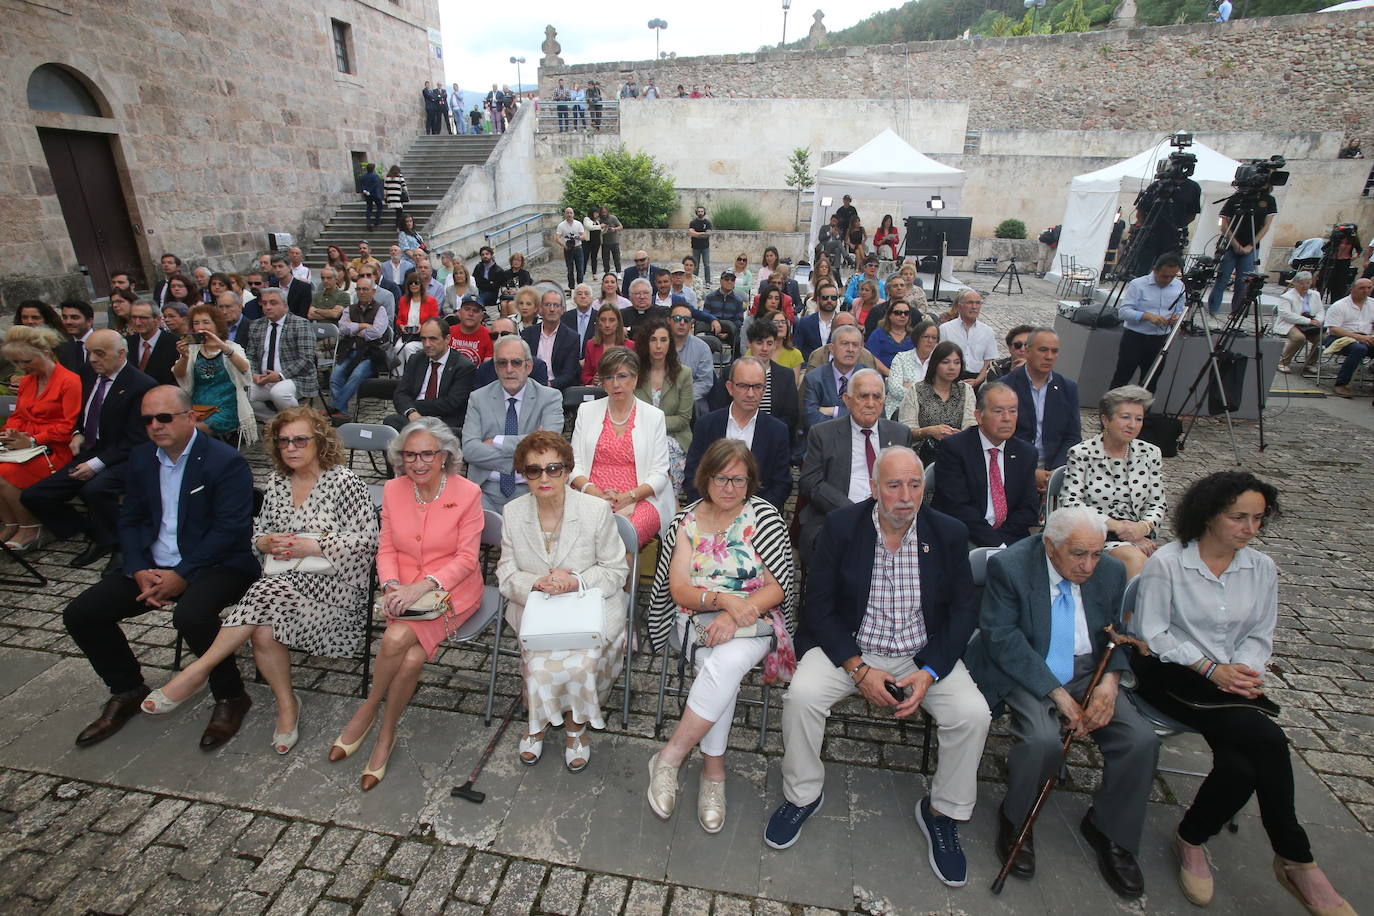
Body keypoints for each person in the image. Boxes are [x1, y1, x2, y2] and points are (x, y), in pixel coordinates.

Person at [766, 446, 991, 889]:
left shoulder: (947, 532)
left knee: (973, 714)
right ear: (873, 488)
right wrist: (857, 669)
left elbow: (964, 612)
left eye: (914, 485)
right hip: (852, 649)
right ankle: (803, 794)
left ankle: (941, 812)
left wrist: (929, 673)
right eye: (894, 486)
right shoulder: (842, 527)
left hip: (920, 655)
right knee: (802, 697)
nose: (906, 496)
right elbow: (819, 608)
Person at [1131, 472, 1355, 915]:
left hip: (1230, 682)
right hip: (1173, 675)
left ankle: (1192, 839)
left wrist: (1244, 672)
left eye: (1257, 519)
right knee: (1269, 740)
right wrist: (1210, 668)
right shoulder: (1170, 563)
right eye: (1238, 517)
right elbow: (1151, 632)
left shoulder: (1261, 568)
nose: (1249, 528)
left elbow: (1259, 635)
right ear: (1210, 515)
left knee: (1241, 764)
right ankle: (1296, 857)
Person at [142, 408, 377, 754]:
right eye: (284, 442)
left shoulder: (346, 483)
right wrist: (266, 542)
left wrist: (311, 544)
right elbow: (259, 535)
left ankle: (198, 670)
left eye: (300, 440)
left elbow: (368, 542)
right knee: (264, 628)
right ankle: (287, 706)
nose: (291, 448)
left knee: (263, 595)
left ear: (320, 441)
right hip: (283, 587)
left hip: (336, 595)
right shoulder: (279, 483)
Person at [965, 506, 1158, 899]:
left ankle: (1111, 830)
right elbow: (1002, 638)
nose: (1089, 565)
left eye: (1096, 553)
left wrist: (1109, 682)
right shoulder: (1012, 566)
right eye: (1078, 554)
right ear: (1051, 546)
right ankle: (1016, 820)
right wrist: (1056, 693)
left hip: (1090, 669)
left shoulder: (1110, 571)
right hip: (1029, 667)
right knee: (1042, 739)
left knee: (1140, 740)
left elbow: (1114, 633)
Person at [64, 386, 259, 750]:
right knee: (81, 614)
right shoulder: (142, 458)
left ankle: (231, 696)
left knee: (192, 616)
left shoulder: (224, 461)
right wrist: (137, 566)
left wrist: (182, 574)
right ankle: (127, 688)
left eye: (164, 417)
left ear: (190, 417)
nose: (155, 425)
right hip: (153, 566)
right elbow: (132, 518)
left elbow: (230, 529)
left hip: (217, 564)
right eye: (148, 419)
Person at [646, 439, 796, 833]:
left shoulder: (764, 518)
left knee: (722, 663)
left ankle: (670, 758)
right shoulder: (686, 523)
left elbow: (778, 586)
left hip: (755, 621)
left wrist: (735, 615)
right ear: (705, 478)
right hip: (696, 619)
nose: (730, 488)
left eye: (739, 480)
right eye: (722, 478)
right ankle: (713, 772)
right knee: (718, 666)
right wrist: (722, 601)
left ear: (751, 483)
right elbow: (678, 589)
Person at [330, 418, 484, 790]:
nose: (418, 463)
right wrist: (392, 586)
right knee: (411, 658)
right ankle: (385, 733)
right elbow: (386, 548)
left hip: (453, 591)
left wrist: (419, 587)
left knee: (396, 640)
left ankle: (367, 710)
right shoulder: (394, 490)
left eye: (427, 454)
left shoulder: (467, 493)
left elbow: (466, 559)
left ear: (444, 455)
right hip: (404, 591)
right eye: (410, 455)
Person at [498, 430, 629, 770]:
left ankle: (575, 727)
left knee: (583, 661)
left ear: (568, 470)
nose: (545, 477)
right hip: (537, 610)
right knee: (539, 657)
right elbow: (506, 574)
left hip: (590, 607)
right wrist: (535, 584)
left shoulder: (596, 510)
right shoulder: (512, 513)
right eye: (534, 470)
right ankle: (538, 724)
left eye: (553, 469)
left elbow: (616, 571)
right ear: (523, 474)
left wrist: (575, 581)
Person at [21, 331, 154, 568]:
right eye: (89, 352)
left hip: (127, 456)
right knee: (35, 496)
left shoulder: (140, 386)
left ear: (121, 353)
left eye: (100, 354)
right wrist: (76, 433)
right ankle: (99, 534)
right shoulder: (88, 375)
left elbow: (137, 440)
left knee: (94, 490)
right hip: (90, 450)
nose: (92, 359)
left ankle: (123, 545)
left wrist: (95, 465)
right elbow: (79, 415)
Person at [797, 369, 911, 558]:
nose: (870, 403)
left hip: (891, 520)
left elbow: (909, 483)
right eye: (863, 396)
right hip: (836, 517)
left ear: (884, 401)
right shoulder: (823, 434)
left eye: (877, 397)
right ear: (847, 400)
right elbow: (810, 482)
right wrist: (853, 513)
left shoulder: (899, 434)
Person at [570, 348, 675, 548]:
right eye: (608, 377)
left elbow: (660, 474)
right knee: (581, 534)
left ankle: (617, 580)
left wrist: (629, 497)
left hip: (641, 497)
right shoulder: (587, 411)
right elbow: (574, 465)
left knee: (622, 535)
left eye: (622, 376)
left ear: (635, 378)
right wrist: (596, 494)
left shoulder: (654, 416)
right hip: (590, 495)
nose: (615, 384)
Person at [1058, 386, 1165, 580]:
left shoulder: (1150, 453)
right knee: (1136, 563)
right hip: (1093, 536)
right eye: (1125, 417)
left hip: (1140, 537)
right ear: (1105, 420)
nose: (1132, 425)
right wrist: (1119, 528)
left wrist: (1144, 528)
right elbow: (1071, 503)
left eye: (1138, 419)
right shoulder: (1082, 453)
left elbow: (1157, 503)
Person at [0, 326, 83, 550]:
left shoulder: (69, 381)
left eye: (27, 361)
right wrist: (10, 432)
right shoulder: (27, 381)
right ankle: (12, 522)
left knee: (6, 472)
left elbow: (69, 425)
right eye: (17, 363)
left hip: (56, 449)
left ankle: (30, 527)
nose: (23, 367)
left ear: (45, 353)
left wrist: (35, 439)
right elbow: (18, 415)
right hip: (26, 445)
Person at [462, 335, 564, 512]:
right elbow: (470, 450)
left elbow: (548, 446)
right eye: (502, 363)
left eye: (516, 362)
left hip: (533, 489)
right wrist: (526, 450)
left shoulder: (550, 397)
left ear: (528, 366)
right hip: (484, 489)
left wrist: (497, 441)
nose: (509, 369)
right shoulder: (478, 398)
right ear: (495, 367)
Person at [931, 382, 1039, 548]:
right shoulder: (955, 448)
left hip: (1009, 537)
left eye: (1013, 411)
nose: (1007, 418)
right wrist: (996, 544)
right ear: (979, 416)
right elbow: (957, 507)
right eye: (998, 411)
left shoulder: (1026, 453)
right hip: (963, 534)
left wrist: (1003, 544)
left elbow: (1028, 509)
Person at [683, 357, 792, 510]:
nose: (750, 393)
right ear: (730, 388)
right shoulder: (706, 425)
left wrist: (752, 514)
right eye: (743, 386)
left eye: (757, 387)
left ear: (764, 390)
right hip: (710, 511)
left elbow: (781, 483)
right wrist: (710, 508)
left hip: (757, 518)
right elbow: (692, 475)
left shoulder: (777, 431)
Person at [1003, 328, 1081, 491]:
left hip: (1053, 470)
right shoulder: (1005, 386)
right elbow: (998, 437)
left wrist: (1055, 472)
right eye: (1043, 350)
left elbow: (1072, 436)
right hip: (1011, 467)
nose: (1049, 357)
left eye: (1054, 351)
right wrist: (1030, 470)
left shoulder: (1068, 388)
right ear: (1027, 351)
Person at [171, 304, 254, 444]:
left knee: (190, 431)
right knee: (174, 426)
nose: (200, 326)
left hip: (226, 407)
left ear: (217, 325)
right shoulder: (193, 349)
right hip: (197, 406)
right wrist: (184, 357)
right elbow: (179, 375)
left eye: (206, 322)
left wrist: (223, 347)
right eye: (196, 323)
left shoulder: (232, 347)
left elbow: (245, 370)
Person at [1109, 253, 1185, 391]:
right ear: (1155, 270)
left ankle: (1144, 411)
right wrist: (1147, 316)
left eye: (1172, 276)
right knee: (1122, 377)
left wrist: (1176, 316)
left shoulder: (1179, 286)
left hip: (1160, 339)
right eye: (1164, 276)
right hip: (1135, 337)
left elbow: (1181, 309)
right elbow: (1123, 311)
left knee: (1151, 380)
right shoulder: (1138, 285)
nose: (1168, 280)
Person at [386, 318, 476, 433]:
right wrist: (411, 412)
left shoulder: (463, 366)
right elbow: (401, 393)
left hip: (444, 420)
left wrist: (414, 406)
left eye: (433, 339)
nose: (427, 344)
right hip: (414, 418)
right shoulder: (416, 359)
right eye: (423, 339)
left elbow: (451, 403)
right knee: (391, 421)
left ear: (447, 339)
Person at [634, 318, 694, 490]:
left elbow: (683, 419)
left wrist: (652, 423)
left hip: (674, 438)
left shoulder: (684, 374)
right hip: (640, 436)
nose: (658, 346)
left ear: (670, 343)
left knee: (665, 450)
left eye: (663, 340)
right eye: (653, 340)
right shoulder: (634, 373)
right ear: (646, 343)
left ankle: (669, 501)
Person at [246, 288, 318, 421]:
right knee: (242, 393)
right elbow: (250, 356)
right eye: (264, 303)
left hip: (295, 378)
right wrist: (254, 374)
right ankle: (274, 422)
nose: (268, 307)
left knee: (279, 393)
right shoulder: (256, 325)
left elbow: (307, 360)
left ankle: (296, 422)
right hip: (263, 378)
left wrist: (280, 375)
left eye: (273, 303)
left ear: (285, 306)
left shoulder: (300, 324)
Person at [898, 340, 975, 465]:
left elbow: (970, 424)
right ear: (935, 364)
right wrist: (928, 431)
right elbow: (906, 430)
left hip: (957, 453)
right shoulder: (916, 390)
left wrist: (960, 435)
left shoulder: (966, 390)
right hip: (922, 456)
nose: (952, 367)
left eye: (957, 363)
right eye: (945, 362)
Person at [1207, 182, 1277, 317]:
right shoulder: (1238, 197)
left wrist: (1250, 246)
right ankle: (1213, 313)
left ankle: (1236, 314)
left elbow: (1266, 226)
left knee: (1243, 283)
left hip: (1251, 247)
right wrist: (1235, 244)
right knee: (1222, 280)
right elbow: (1224, 223)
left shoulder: (1269, 200)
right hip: (1230, 245)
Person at [327, 278, 391, 421]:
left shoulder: (380, 309)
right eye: (358, 289)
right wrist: (363, 326)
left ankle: (335, 407)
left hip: (370, 354)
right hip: (350, 350)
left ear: (373, 292)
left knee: (356, 375)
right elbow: (342, 328)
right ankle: (342, 411)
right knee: (335, 375)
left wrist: (354, 327)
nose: (361, 292)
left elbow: (377, 332)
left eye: (365, 289)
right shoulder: (349, 309)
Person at [801, 325, 864, 431]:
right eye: (845, 344)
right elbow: (810, 419)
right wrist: (854, 416)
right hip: (824, 442)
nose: (850, 349)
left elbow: (876, 416)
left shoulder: (870, 378)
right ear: (831, 349)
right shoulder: (814, 378)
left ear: (860, 349)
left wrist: (835, 411)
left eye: (855, 345)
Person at [1321, 276, 1373, 399]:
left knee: (1363, 346)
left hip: (1366, 337)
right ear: (1352, 289)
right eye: (1362, 288)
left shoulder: (1372, 304)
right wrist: (1358, 337)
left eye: (1369, 288)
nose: (1366, 291)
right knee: (1359, 349)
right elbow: (1334, 329)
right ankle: (1341, 383)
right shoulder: (1340, 305)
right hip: (1340, 338)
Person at [522, 288, 582, 390]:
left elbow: (569, 374)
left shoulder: (572, 338)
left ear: (562, 310)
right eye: (547, 305)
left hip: (557, 388)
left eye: (556, 305)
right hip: (529, 386)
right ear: (540, 309)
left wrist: (548, 385)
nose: (552, 309)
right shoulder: (528, 334)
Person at [938, 290, 998, 386]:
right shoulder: (945, 329)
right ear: (959, 306)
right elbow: (938, 358)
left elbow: (989, 361)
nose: (974, 307)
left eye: (977, 303)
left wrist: (978, 381)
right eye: (970, 303)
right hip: (950, 379)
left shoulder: (987, 331)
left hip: (977, 379)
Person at [1273, 273, 1323, 375]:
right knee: (1299, 338)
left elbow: (1320, 310)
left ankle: (1310, 363)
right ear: (1295, 284)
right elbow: (1286, 315)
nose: (1305, 286)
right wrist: (1307, 321)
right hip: (1291, 323)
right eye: (1301, 284)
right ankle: (1283, 362)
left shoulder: (1315, 295)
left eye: (1308, 283)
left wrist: (1318, 320)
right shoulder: (1287, 297)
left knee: (1323, 338)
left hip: (1310, 324)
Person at [886, 319, 941, 411]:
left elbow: (942, 392)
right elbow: (894, 389)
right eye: (926, 336)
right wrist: (928, 392)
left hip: (930, 412)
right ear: (917, 337)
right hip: (899, 409)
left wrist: (912, 386)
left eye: (934, 338)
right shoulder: (901, 358)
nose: (930, 340)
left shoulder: (940, 361)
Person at [126, 300, 179, 386]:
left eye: (143, 318)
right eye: (134, 317)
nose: (137, 322)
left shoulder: (175, 343)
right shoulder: (127, 343)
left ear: (157, 319)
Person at [669, 303, 714, 402]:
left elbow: (704, 382)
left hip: (688, 401)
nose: (682, 323)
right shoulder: (659, 344)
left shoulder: (702, 348)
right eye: (677, 318)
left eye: (686, 319)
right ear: (668, 321)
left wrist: (683, 397)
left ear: (692, 323)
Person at [582, 303, 633, 386]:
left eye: (612, 320)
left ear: (618, 323)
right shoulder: (591, 345)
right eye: (603, 320)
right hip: (598, 391)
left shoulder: (630, 346)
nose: (607, 325)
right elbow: (585, 375)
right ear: (598, 322)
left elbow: (635, 374)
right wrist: (593, 380)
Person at [866, 296, 914, 374]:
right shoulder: (878, 334)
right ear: (889, 315)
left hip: (909, 377)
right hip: (883, 376)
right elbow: (872, 358)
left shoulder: (914, 336)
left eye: (906, 313)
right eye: (898, 313)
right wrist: (891, 374)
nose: (903, 315)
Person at [794, 280, 840, 361]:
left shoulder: (843, 323)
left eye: (833, 298)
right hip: (809, 368)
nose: (829, 301)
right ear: (818, 299)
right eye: (825, 298)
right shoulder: (805, 322)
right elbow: (797, 349)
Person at [448, 295, 493, 365]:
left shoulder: (490, 336)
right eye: (467, 309)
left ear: (481, 316)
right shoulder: (448, 332)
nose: (471, 314)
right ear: (459, 312)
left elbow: (487, 368)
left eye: (476, 311)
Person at [557, 207, 588, 290]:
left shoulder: (578, 224)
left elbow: (583, 236)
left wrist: (577, 237)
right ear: (565, 214)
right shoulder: (561, 225)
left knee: (580, 269)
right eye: (567, 213)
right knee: (570, 269)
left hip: (578, 248)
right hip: (568, 249)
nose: (569, 215)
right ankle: (571, 288)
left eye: (571, 213)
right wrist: (564, 245)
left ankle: (580, 286)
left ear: (573, 214)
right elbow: (557, 238)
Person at [770, 312, 804, 383]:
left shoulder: (795, 354)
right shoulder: (755, 350)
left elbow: (793, 385)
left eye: (783, 322)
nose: (780, 325)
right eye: (775, 322)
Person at [688, 205, 712, 280]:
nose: (700, 213)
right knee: (695, 265)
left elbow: (708, 234)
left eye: (702, 211)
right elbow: (691, 233)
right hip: (695, 247)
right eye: (699, 211)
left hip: (705, 247)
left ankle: (707, 282)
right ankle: (695, 281)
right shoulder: (693, 223)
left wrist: (696, 234)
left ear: (704, 212)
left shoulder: (707, 223)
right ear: (696, 213)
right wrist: (702, 234)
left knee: (707, 265)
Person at [359, 163, 384, 230]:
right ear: (373, 169)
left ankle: (368, 222)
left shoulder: (363, 176)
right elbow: (376, 185)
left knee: (369, 208)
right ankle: (377, 221)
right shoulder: (375, 176)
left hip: (367, 194)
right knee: (379, 206)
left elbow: (361, 184)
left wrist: (365, 190)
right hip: (375, 194)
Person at [384, 165, 408, 231]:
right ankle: (398, 226)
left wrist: (385, 197)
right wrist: (405, 193)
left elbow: (385, 188)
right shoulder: (399, 176)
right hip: (398, 197)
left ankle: (398, 226)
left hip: (391, 197)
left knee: (398, 212)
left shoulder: (387, 177)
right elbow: (404, 186)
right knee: (399, 212)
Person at [600, 207, 623, 273]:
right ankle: (606, 273)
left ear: (607, 211)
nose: (604, 214)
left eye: (605, 212)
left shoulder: (613, 218)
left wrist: (614, 229)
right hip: (605, 243)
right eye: (602, 212)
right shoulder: (599, 220)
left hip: (614, 242)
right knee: (605, 260)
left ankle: (618, 273)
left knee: (617, 259)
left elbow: (621, 226)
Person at [582, 209, 601, 278]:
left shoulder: (597, 221)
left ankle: (594, 273)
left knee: (594, 258)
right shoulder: (586, 219)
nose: (597, 215)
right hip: (588, 241)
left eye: (598, 213)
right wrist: (600, 226)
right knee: (585, 257)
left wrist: (605, 228)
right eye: (596, 213)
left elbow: (600, 230)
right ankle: (582, 273)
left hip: (596, 242)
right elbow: (589, 227)